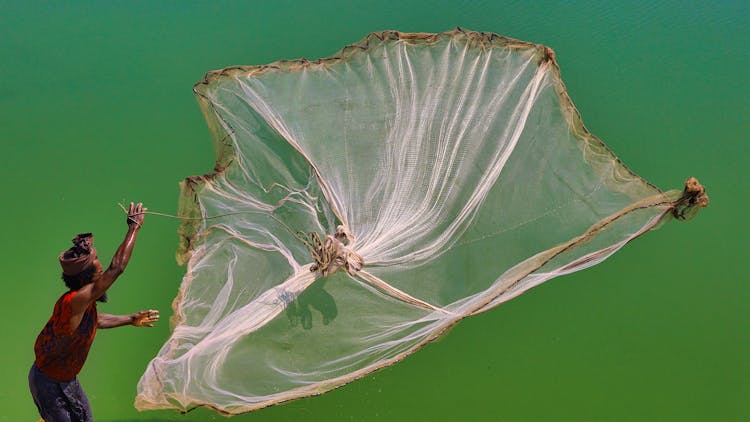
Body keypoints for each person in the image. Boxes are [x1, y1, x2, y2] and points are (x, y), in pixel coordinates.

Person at [29, 202, 159, 422]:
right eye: (99, 275)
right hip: (48, 385)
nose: (103, 279)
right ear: (86, 282)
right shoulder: (75, 300)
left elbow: (96, 321)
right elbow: (117, 268)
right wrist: (134, 228)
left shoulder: (83, 307)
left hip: (68, 380)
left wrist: (130, 319)